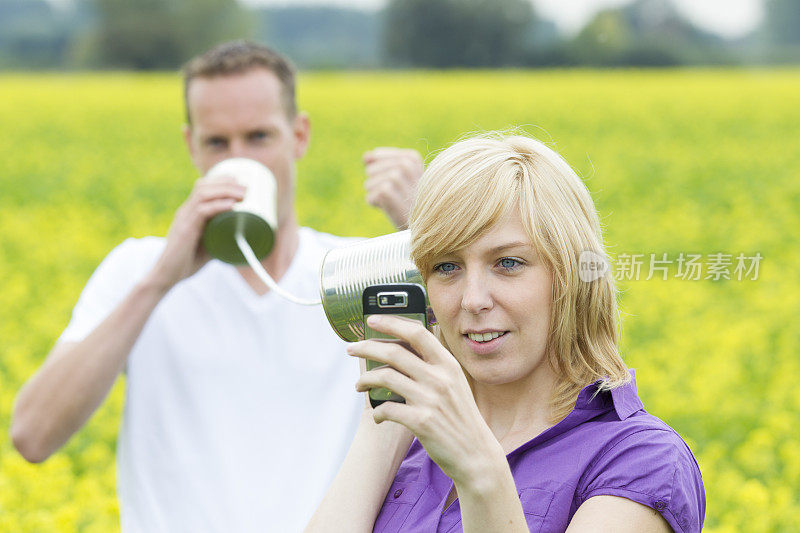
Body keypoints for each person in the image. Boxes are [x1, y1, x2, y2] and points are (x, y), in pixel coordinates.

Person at [10, 41, 423, 532]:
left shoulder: (355, 272)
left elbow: (483, 401)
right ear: (190, 145)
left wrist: (425, 237)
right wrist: (160, 281)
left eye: (258, 137)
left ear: (299, 135)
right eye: (217, 143)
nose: (239, 158)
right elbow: (33, 436)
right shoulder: (138, 269)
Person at [306, 133, 706, 532]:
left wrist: (481, 473)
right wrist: (385, 425)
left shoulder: (639, 461)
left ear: (572, 278)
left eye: (508, 263)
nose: (472, 299)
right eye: (447, 266)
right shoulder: (415, 447)